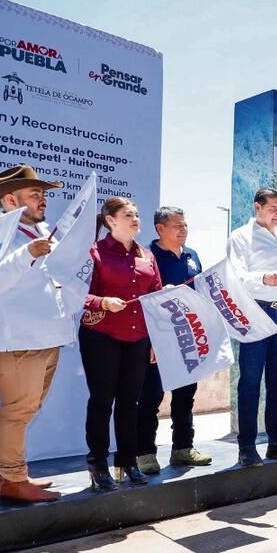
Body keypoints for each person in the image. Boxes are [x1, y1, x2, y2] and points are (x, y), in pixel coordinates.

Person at [0, 165, 68, 502]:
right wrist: (27, 254)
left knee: (25, 409)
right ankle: (13, 479)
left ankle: (1, 473)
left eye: (43, 194)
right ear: (11, 200)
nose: (43, 199)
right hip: (19, 340)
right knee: (18, 411)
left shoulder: (40, 231)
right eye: (35, 194)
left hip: (44, 337)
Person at [79, 197, 163, 490]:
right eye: (128, 215)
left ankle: (128, 462)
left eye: (137, 214)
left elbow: (156, 298)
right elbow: (77, 293)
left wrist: (156, 340)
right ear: (111, 220)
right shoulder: (94, 252)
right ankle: (98, 464)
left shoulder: (147, 255)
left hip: (138, 338)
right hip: (101, 336)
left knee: (130, 403)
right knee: (102, 401)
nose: (136, 218)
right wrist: (102, 302)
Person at [227, 188, 277, 467]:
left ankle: (276, 443)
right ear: (257, 207)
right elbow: (235, 276)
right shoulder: (240, 237)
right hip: (256, 311)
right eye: (273, 209)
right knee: (250, 382)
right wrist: (263, 278)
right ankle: (246, 447)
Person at [135, 207, 212, 474]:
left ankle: (182, 448)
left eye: (185, 225)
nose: (183, 229)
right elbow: (143, 301)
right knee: (151, 396)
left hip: (187, 337)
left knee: (185, 396)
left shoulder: (192, 256)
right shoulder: (146, 256)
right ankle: (144, 452)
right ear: (160, 228)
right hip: (158, 338)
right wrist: (151, 341)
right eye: (177, 225)